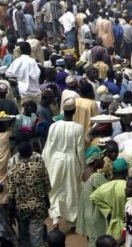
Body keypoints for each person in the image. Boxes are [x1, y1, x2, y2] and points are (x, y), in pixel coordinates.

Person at [42, 96, 84, 230]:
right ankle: (72, 221)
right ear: (74, 111)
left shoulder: (54, 126)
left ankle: (55, 219)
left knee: (55, 190)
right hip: (71, 162)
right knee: (71, 189)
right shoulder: (78, 128)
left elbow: (48, 146)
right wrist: (82, 168)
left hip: (55, 161)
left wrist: (47, 164)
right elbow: (80, 150)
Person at [7, 140, 50, 247]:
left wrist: (11, 214)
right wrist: (47, 203)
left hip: (21, 210)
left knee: (24, 237)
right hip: (38, 208)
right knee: (36, 238)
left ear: (19, 154)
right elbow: (46, 188)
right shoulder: (40, 168)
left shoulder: (13, 170)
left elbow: (11, 195)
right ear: (31, 152)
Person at [91, 158, 130, 238]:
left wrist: (108, 211)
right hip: (126, 225)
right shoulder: (128, 187)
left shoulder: (107, 185)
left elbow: (94, 196)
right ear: (126, 172)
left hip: (113, 224)